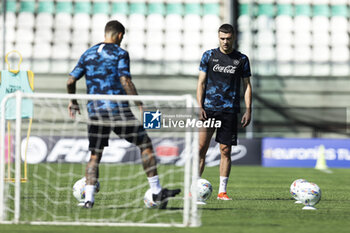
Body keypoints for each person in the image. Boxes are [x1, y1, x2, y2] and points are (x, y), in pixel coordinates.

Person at [67, 20, 180, 209]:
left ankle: (89, 200)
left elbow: (70, 80)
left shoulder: (87, 54)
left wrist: (73, 101)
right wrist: (139, 104)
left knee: (95, 156)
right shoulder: (120, 53)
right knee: (145, 144)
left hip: (95, 112)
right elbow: (125, 80)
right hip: (118, 111)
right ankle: (156, 189)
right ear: (120, 35)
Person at [196, 24, 252, 201]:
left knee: (225, 150)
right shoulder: (209, 56)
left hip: (229, 111)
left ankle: (222, 191)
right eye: (222, 38)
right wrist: (200, 106)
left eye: (228, 38)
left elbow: (247, 86)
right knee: (200, 149)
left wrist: (248, 109)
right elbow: (201, 83)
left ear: (233, 37)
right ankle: (194, 187)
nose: (225, 42)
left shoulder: (242, 59)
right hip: (209, 110)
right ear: (218, 37)